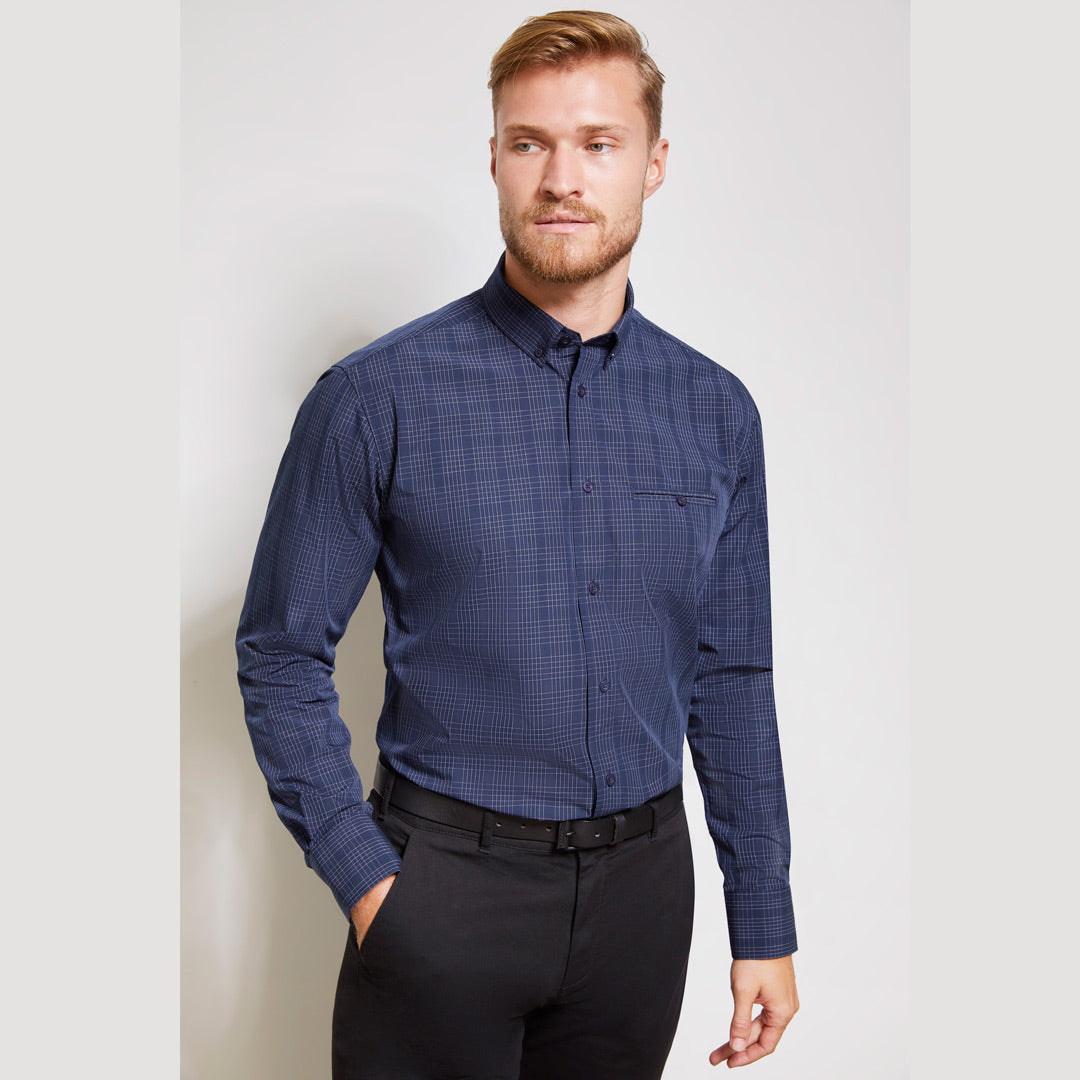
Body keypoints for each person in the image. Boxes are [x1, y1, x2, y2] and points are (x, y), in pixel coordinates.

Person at [236, 10, 798, 1077]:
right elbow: (279, 653)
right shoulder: (375, 398)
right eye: (531, 142)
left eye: (599, 143)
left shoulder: (716, 411)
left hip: (642, 903)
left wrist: (762, 917)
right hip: (440, 890)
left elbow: (731, 675)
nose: (562, 179)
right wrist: (371, 885)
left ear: (654, 164)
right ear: (494, 157)